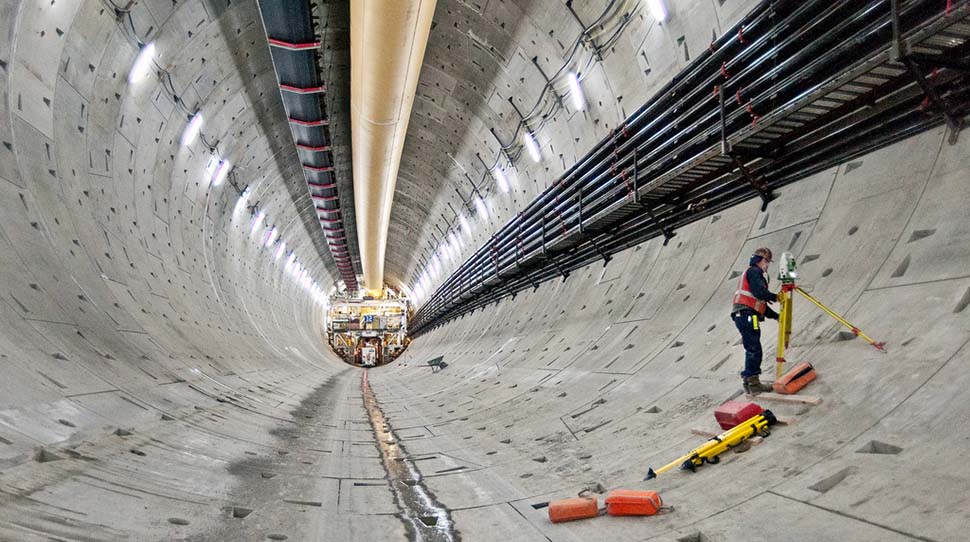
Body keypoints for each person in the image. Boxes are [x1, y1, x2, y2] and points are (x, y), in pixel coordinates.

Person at [732, 247, 779, 394]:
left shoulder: (751, 273)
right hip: (746, 314)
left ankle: (749, 382)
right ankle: (754, 383)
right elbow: (760, 293)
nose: (767, 266)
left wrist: (776, 316)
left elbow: (760, 304)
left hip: (744, 314)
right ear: (761, 260)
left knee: (751, 347)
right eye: (767, 261)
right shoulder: (754, 271)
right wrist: (775, 297)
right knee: (754, 348)